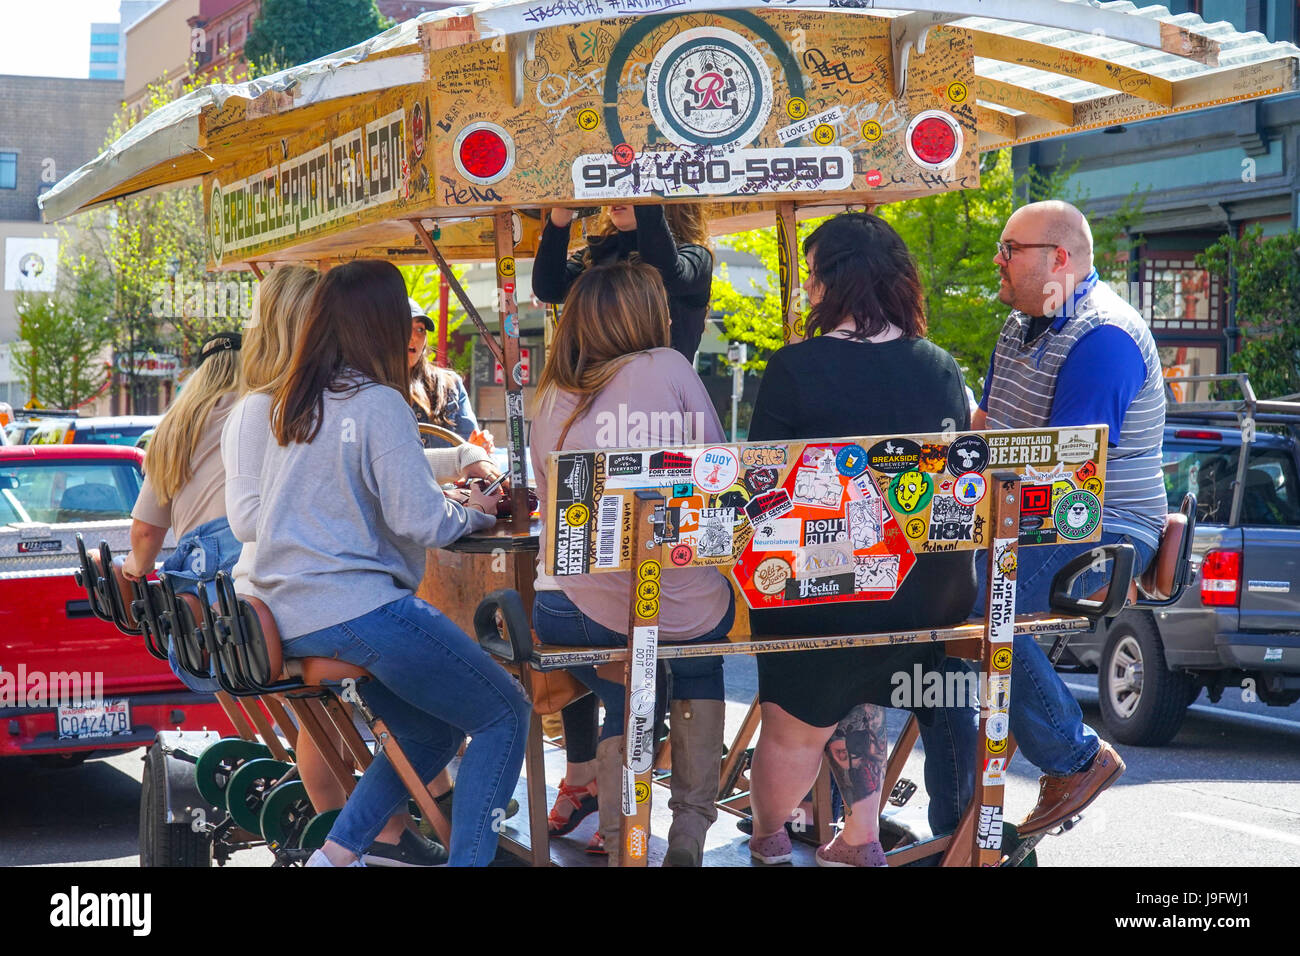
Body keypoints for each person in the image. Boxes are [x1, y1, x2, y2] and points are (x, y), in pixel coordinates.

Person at [245, 258, 529, 867]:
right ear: (383, 324)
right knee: (506, 711)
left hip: (286, 609)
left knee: (433, 730)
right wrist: (476, 511)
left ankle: (334, 859)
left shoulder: (298, 402)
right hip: (356, 606)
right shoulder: (378, 403)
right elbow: (422, 520)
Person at [744, 212, 979, 867]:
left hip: (820, 588)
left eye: (815, 277)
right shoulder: (941, 368)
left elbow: (762, 488)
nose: (809, 291)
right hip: (925, 598)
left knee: (793, 727)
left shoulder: (795, 368)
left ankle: (768, 839)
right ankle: (860, 837)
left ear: (837, 282)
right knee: (866, 683)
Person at [969, 199, 1164, 835]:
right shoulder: (1020, 324)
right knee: (947, 593)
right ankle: (971, 802)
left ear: (1060, 259)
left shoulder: (1104, 335)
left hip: (1102, 521)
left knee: (978, 601)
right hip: (1039, 511)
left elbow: (1068, 469)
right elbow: (988, 432)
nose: (997, 260)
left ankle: (1074, 757)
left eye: (1009, 249)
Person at [531, 261, 732, 867]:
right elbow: (720, 476)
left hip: (570, 606)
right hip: (678, 601)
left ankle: (625, 847)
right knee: (693, 658)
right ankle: (690, 837)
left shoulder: (548, 395)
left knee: (628, 676)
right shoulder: (669, 367)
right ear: (642, 316)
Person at [121, 332, 243, 695]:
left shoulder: (172, 429)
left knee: (203, 665)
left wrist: (134, 567)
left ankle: (196, 607)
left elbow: (146, 532)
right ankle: (214, 609)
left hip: (196, 554)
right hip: (244, 542)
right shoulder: (260, 412)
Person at [532, 203, 713, 361]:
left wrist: (645, 196)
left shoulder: (695, 258)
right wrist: (559, 218)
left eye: (628, 190)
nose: (619, 197)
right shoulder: (597, 254)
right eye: (616, 190)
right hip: (600, 394)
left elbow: (661, 274)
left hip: (659, 396)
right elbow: (549, 289)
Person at [407, 297, 493, 451]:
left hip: (449, 476)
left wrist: (480, 446)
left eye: (420, 329)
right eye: (405, 328)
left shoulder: (449, 383)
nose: (414, 337)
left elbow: (471, 443)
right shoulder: (373, 387)